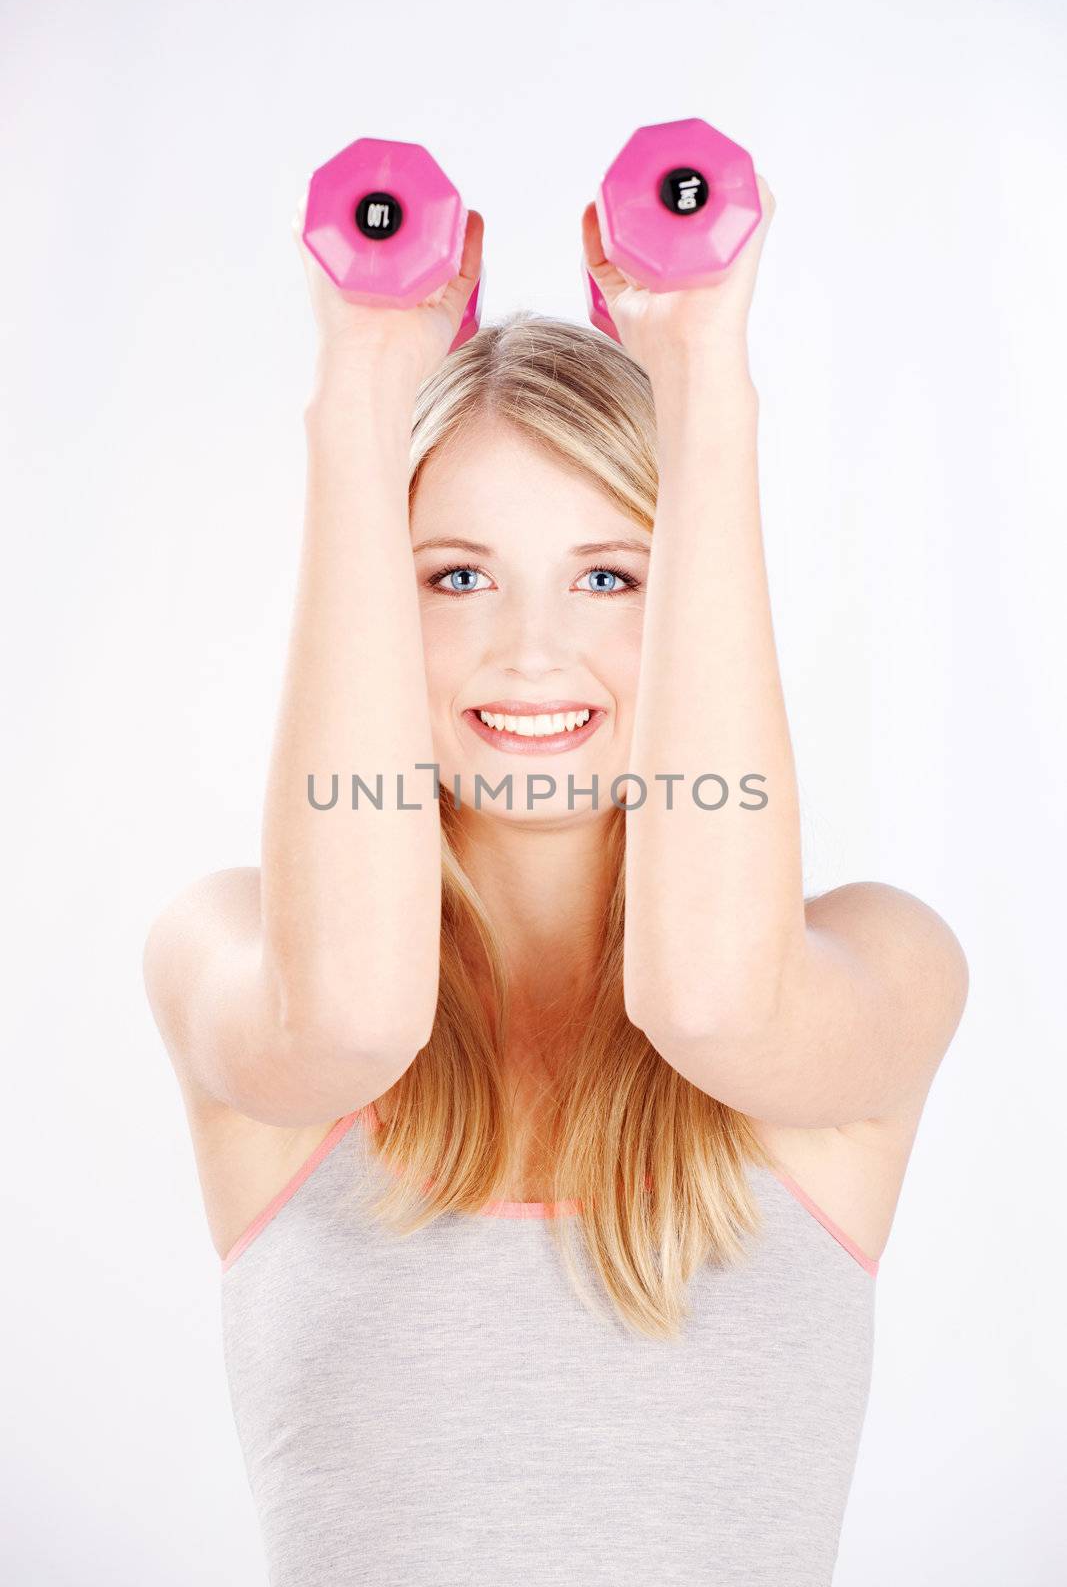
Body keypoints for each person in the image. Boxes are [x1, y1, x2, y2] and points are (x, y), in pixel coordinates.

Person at [143, 178, 969, 1585]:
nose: (532, 650)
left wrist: (705, 384)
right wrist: (358, 402)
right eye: (456, 577)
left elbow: (711, 1002)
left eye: (610, 577)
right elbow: (349, 1019)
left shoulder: (880, 971)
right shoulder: (234, 956)